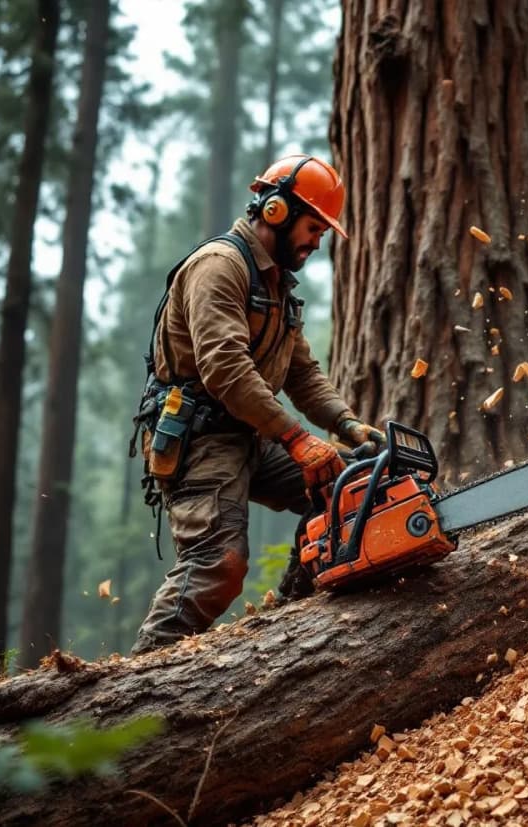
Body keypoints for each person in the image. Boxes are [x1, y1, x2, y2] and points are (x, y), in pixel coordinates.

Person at [130, 153, 384, 654]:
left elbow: (301, 372)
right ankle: (135, 680)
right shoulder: (220, 268)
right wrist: (296, 438)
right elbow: (224, 369)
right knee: (218, 563)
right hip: (200, 438)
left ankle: (295, 613)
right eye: (313, 228)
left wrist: (348, 425)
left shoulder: (276, 287)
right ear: (275, 211)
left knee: (349, 487)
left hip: (251, 433)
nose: (317, 241)